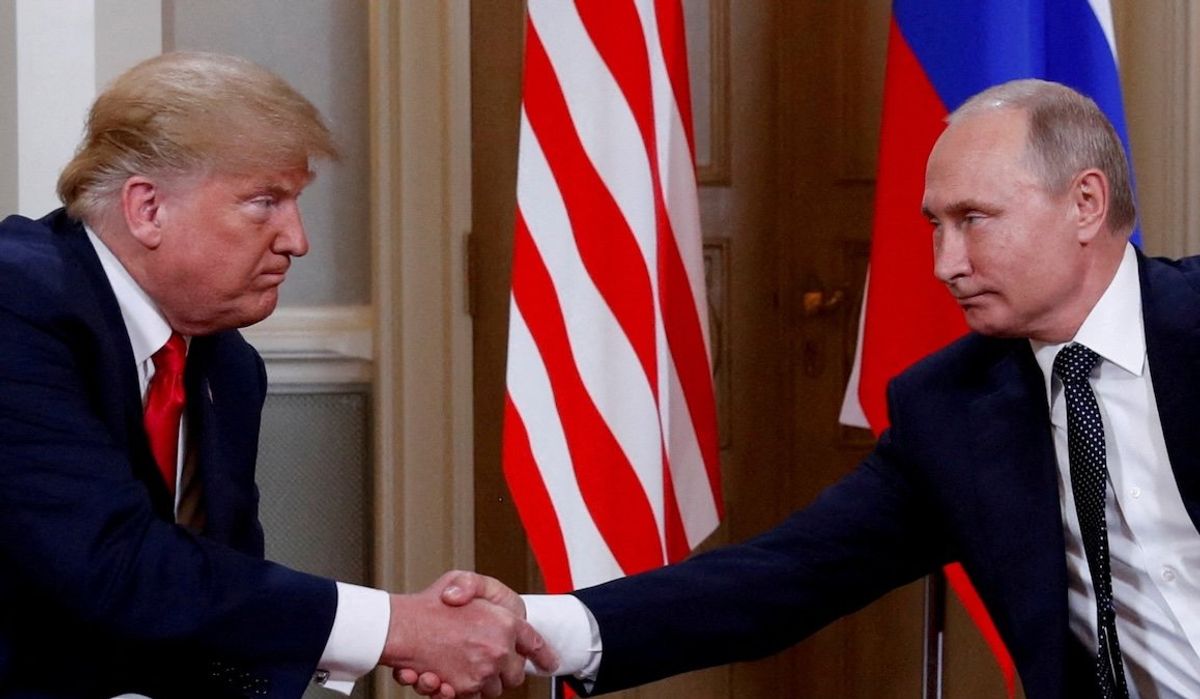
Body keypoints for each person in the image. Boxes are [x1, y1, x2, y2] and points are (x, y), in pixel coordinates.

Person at [406, 79, 1200, 699]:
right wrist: (540, 622)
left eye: (974, 218)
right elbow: (789, 575)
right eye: (934, 224)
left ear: (1085, 203)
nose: (943, 263)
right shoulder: (952, 410)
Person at [0, 51, 553, 698]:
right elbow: (113, 563)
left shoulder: (227, 365)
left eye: (295, 201)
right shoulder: (17, 302)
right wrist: (396, 626)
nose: (297, 239)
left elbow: (219, 598)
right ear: (147, 208)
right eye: (265, 202)